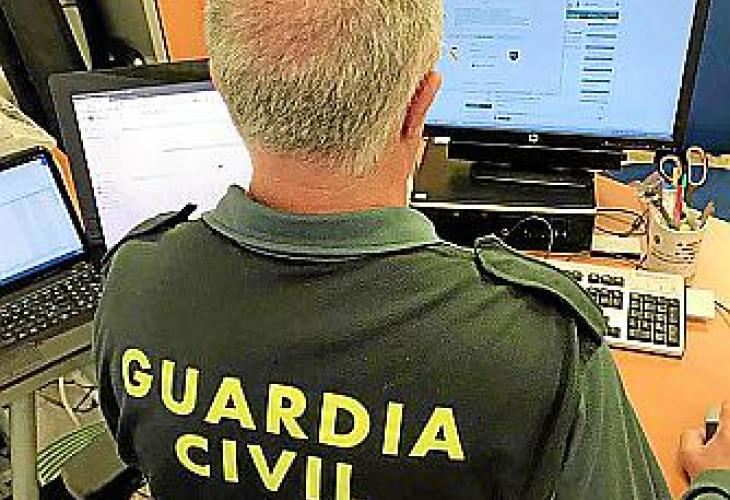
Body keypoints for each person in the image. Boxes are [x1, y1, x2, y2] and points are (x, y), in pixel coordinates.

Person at [93, 0, 730, 498]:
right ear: (419, 104)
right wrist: (716, 479)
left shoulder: (134, 288)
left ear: (224, 89)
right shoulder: (540, 347)